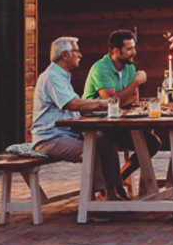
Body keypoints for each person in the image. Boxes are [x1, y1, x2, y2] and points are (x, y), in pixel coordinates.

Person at [31, 37, 122, 199]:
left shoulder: (63, 76)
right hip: (50, 138)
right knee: (93, 150)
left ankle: (112, 194)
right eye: (76, 51)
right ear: (64, 55)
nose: (80, 55)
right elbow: (72, 104)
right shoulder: (52, 76)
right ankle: (91, 203)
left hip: (67, 134)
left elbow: (74, 109)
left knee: (106, 143)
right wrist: (102, 104)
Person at [83, 29, 161, 194]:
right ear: (115, 51)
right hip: (97, 123)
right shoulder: (100, 68)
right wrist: (136, 83)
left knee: (152, 143)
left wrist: (124, 96)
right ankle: (112, 186)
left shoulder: (128, 66)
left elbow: (133, 100)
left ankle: (117, 179)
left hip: (118, 121)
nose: (134, 52)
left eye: (133, 47)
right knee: (139, 143)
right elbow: (111, 102)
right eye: (129, 49)